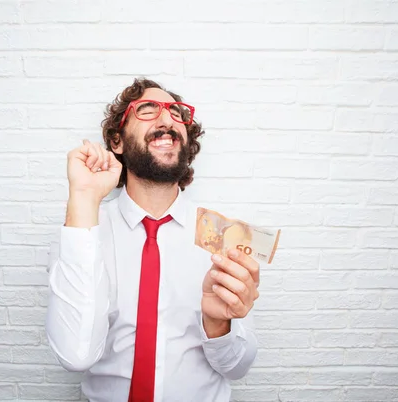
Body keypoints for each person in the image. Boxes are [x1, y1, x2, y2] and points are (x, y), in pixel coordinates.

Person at [46, 78, 259, 402]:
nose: (167, 120)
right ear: (116, 141)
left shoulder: (225, 236)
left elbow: (237, 368)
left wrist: (217, 325)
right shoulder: (81, 228)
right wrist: (84, 199)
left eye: (177, 114)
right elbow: (75, 356)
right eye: (147, 110)